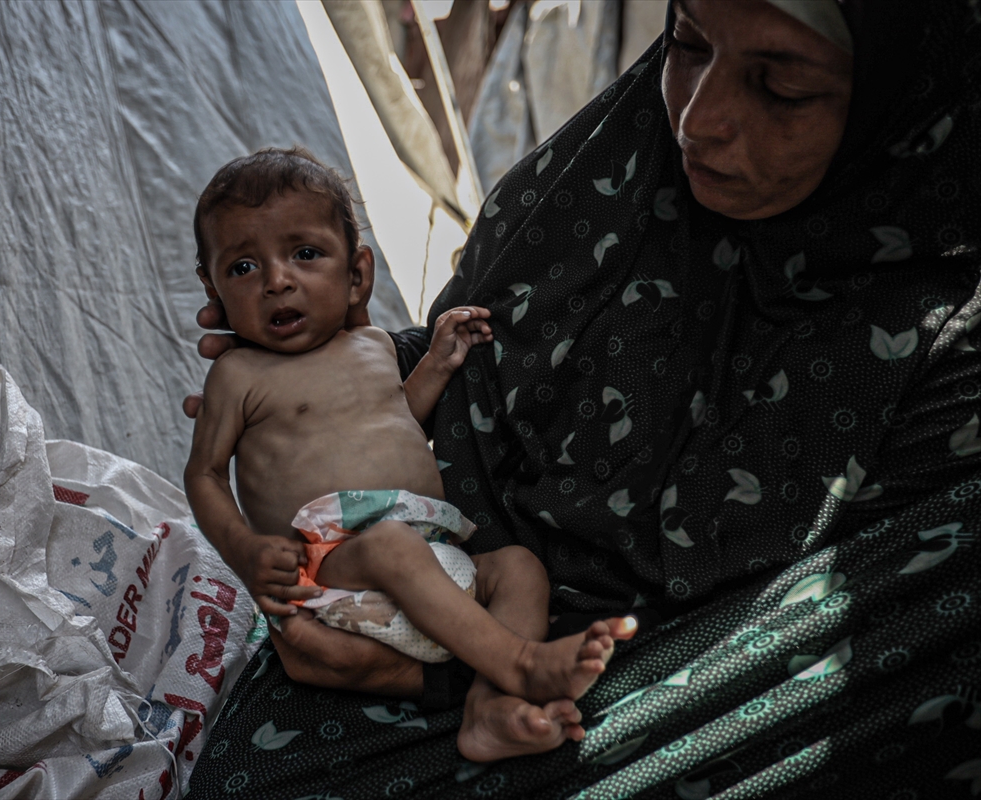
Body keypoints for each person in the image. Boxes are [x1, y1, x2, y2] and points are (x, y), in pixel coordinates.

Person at [186, 0, 980, 796]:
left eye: (780, 87)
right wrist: (333, 371)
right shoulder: (601, 179)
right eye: (688, 44)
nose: (700, 121)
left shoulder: (943, 362)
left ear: (894, 99)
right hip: (426, 592)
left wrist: (439, 682)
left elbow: (809, 667)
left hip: (633, 698)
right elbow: (479, 351)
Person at [183, 149, 633, 748]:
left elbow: (394, 421)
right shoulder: (238, 376)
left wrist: (439, 364)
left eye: (306, 254)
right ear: (212, 288)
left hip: (433, 562)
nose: (277, 280)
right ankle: (519, 664)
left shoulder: (371, 344)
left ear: (357, 275)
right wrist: (244, 550)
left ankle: (489, 712)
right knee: (392, 546)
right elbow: (205, 475)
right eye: (242, 267)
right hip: (335, 571)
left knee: (517, 566)